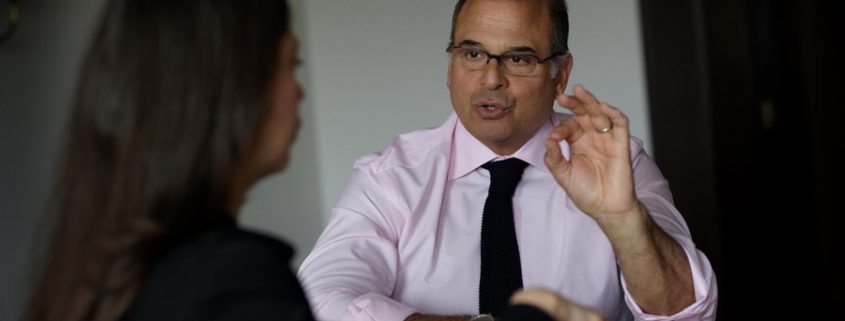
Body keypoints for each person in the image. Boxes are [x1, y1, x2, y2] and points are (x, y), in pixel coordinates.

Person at [297, 0, 718, 320]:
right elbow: (319, 298)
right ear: (450, 66)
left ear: (561, 74)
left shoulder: (613, 160)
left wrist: (624, 221)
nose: (491, 78)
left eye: (518, 58)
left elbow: (690, 311)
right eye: (473, 54)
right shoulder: (390, 178)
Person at [23, 0, 313, 320]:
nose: (299, 92)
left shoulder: (92, 276)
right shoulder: (231, 289)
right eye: (291, 64)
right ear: (230, 86)